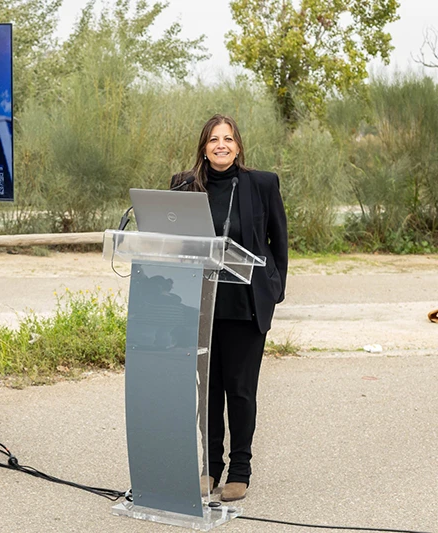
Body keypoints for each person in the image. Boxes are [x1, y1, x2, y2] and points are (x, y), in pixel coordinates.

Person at [171, 114, 288, 502]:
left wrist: (274, 291)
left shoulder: (262, 183)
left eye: (228, 138)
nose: (221, 145)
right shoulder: (184, 185)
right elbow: (171, 239)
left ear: (238, 145)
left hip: (246, 304)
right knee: (208, 391)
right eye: (213, 139)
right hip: (201, 302)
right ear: (203, 147)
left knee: (240, 390)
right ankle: (211, 467)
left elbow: (278, 241)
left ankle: (239, 470)